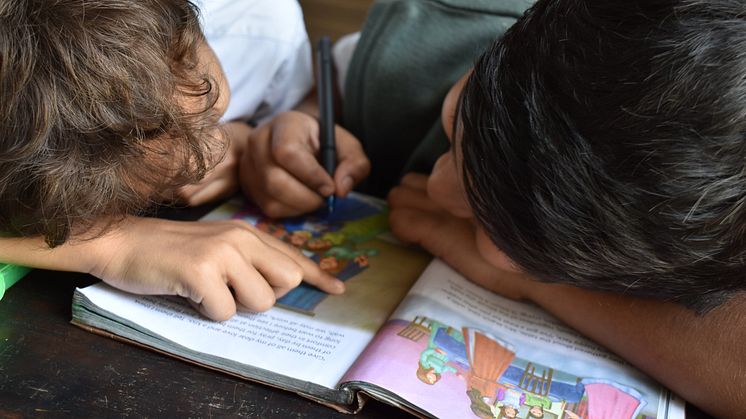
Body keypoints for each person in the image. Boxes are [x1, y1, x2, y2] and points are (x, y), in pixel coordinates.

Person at [242, 0, 746, 415]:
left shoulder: (714, 224)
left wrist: (524, 282)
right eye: (456, 118)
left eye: (495, 231)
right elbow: (332, 79)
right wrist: (302, 118)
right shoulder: (428, 34)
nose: (437, 189)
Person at [0, 0, 354, 321]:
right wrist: (111, 245)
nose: (214, 150)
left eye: (212, 118)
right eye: (147, 135)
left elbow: (308, 97)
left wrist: (263, 134)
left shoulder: (260, 24)